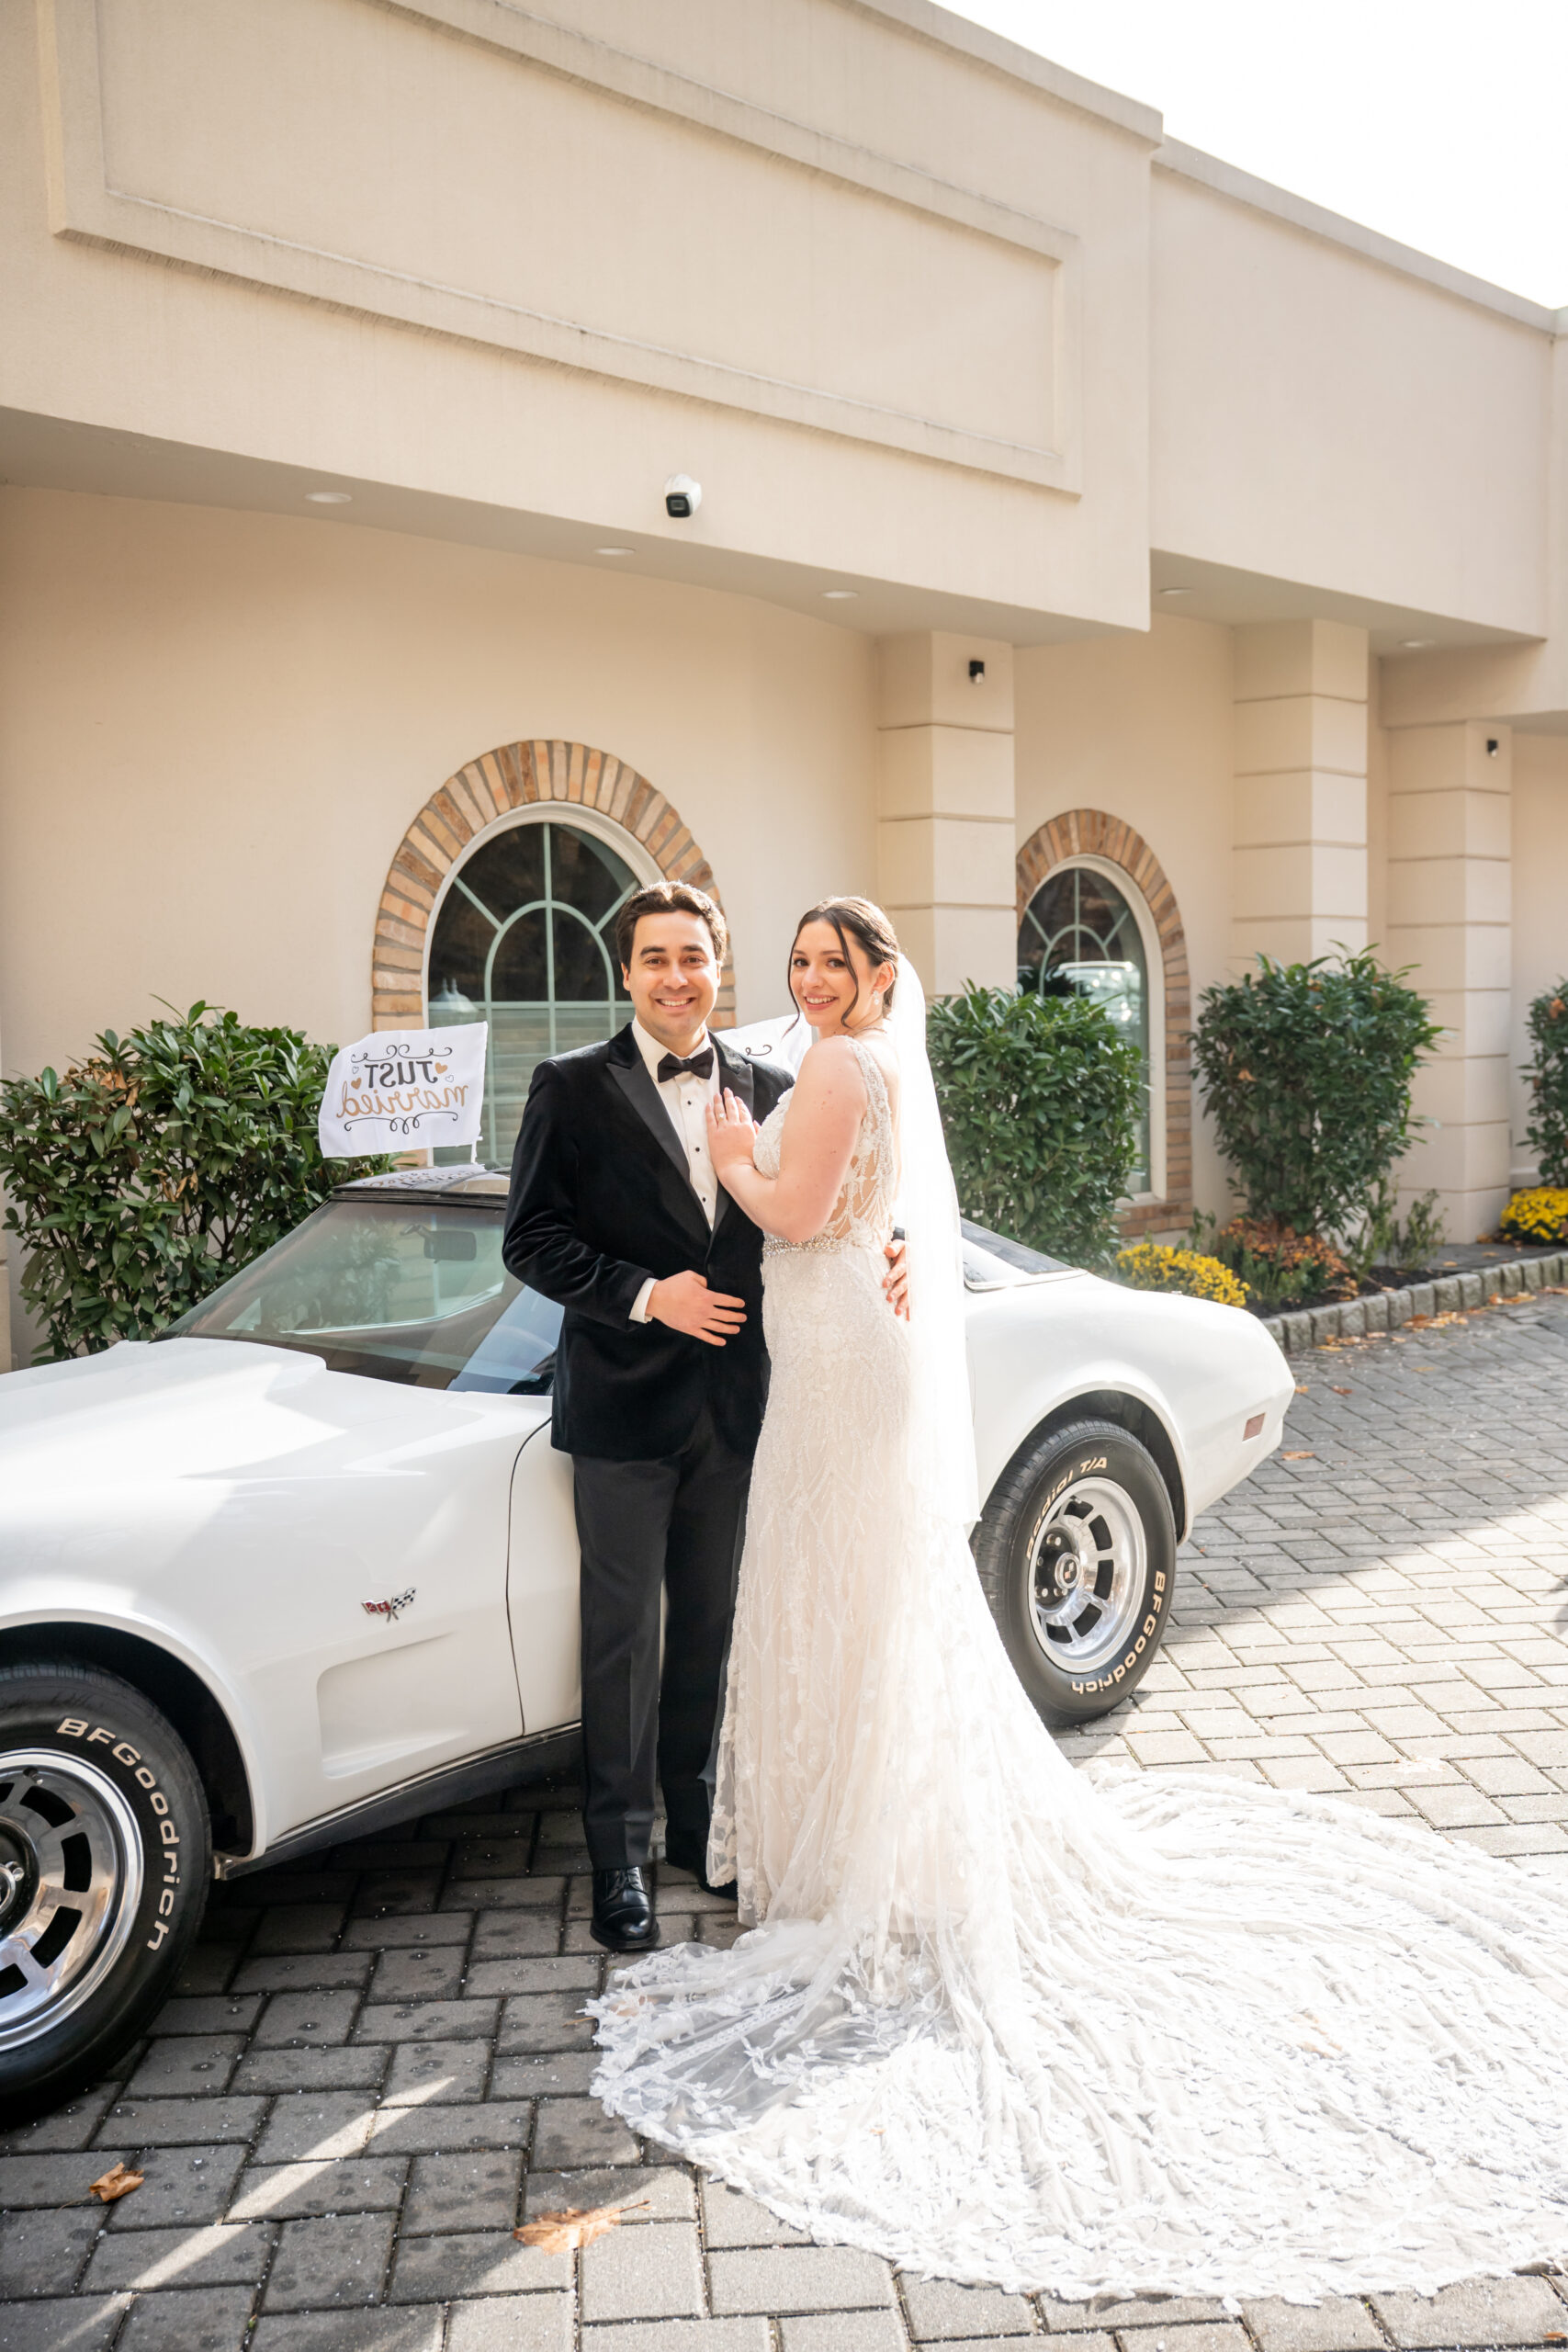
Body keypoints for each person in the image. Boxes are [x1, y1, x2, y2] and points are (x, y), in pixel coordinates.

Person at [589, 895, 1568, 2301]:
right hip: (826, 1349)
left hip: (836, 1365)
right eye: (796, 961)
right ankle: (848, 1837)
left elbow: (792, 1208)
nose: (806, 980)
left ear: (874, 977)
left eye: (828, 962)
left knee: (842, 1598)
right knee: (853, 1602)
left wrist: (739, 1159)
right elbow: (860, 1206)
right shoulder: (841, 1061)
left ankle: (845, 1855)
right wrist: (847, 1219)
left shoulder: (838, 1063)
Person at [502, 881, 902, 1957]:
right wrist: (647, 1294)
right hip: (623, 1407)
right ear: (626, 971)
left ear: (718, 967)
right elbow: (530, 1239)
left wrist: (900, 1251)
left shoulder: (774, 1081)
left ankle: (696, 1829)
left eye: (694, 957)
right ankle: (619, 1861)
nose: (676, 977)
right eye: (656, 958)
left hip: (742, 1407)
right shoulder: (569, 1086)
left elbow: (832, 1198)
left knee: (714, 1631)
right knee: (623, 1637)